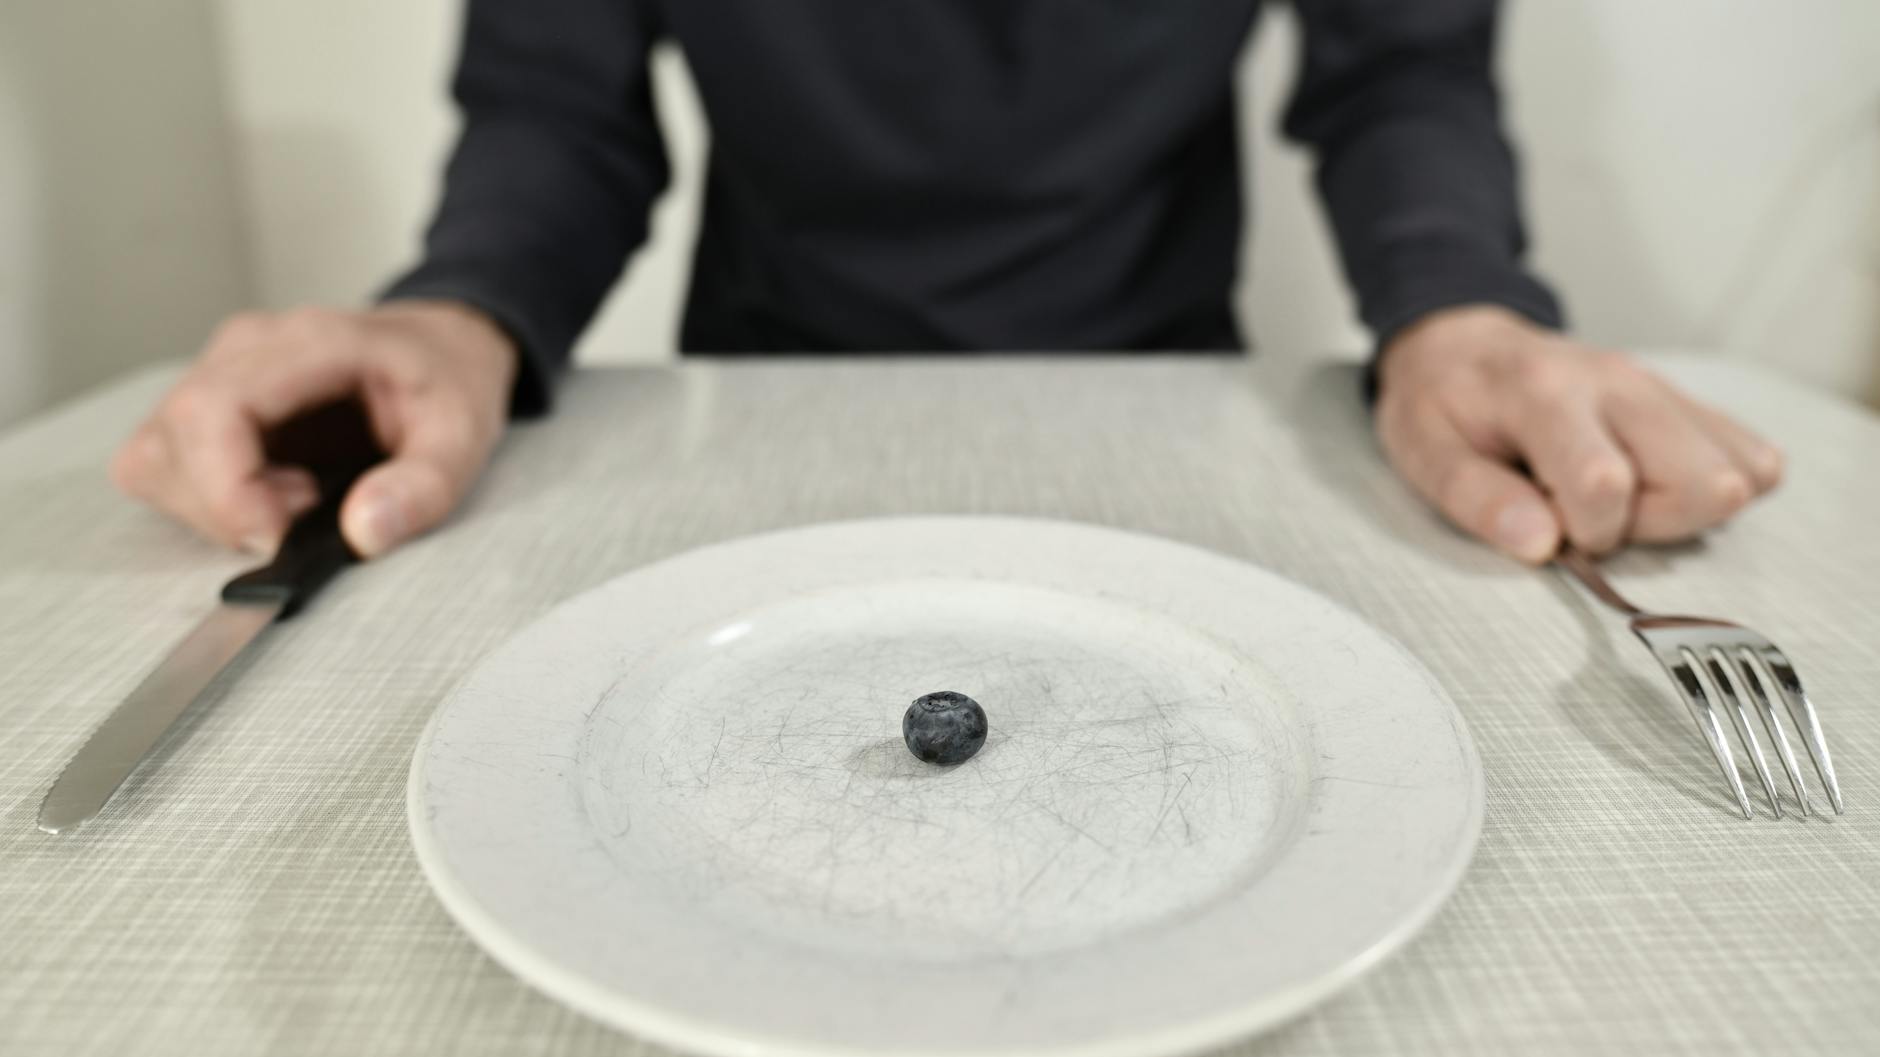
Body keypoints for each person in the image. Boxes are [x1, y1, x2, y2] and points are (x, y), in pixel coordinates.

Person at [111, 0, 1783, 565]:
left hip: (1167, 407)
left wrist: (1455, 308)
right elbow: (560, 103)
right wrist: (449, 309)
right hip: (749, 419)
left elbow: (1398, 71)